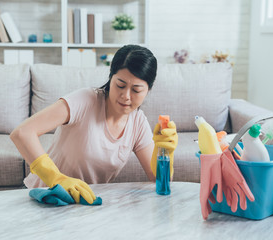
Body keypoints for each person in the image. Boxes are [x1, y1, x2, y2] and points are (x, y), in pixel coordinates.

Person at [10, 45, 178, 204]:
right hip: (45, 196)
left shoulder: (138, 122)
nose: (126, 96)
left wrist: (165, 153)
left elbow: (157, 182)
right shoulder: (85, 101)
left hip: (81, 204)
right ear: (111, 78)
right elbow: (23, 133)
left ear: (148, 90)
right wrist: (56, 178)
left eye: (136, 90)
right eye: (120, 85)